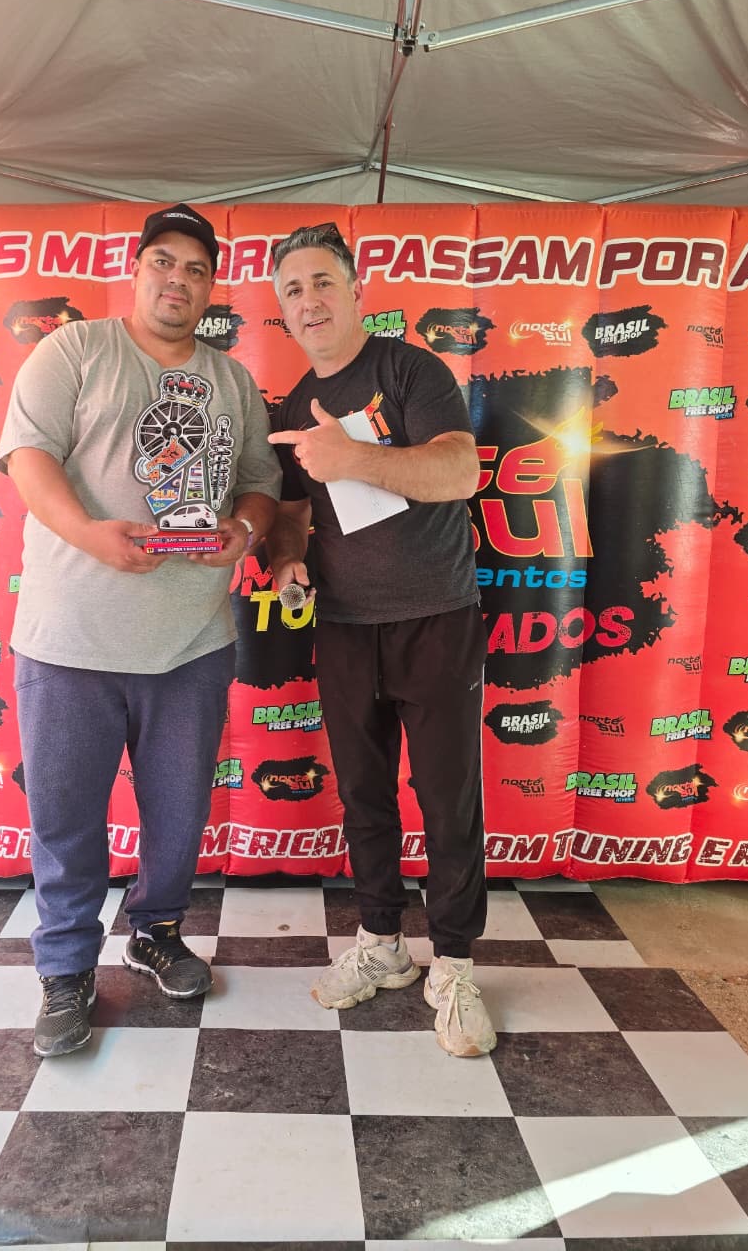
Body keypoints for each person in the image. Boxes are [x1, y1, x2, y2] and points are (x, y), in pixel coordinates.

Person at [0, 203, 281, 1057]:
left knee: (179, 814)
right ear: (136, 269)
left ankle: (155, 931)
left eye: (196, 269)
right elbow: (28, 456)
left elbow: (260, 480)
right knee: (66, 817)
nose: (177, 280)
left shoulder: (232, 381)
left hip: (190, 642)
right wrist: (90, 535)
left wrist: (246, 530)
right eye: (164, 261)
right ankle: (64, 969)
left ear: (211, 287)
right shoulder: (73, 351)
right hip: (69, 639)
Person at [266, 221, 495, 1058]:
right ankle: (383, 944)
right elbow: (293, 513)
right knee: (364, 795)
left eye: (323, 281)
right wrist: (286, 560)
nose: (310, 300)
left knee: (447, 797)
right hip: (344, 626)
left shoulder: (408, 370)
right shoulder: (293, 404)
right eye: (293, 290)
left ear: (356, 290)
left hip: (435, 617)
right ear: (283, 310)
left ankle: (455, 964)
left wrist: (351, 457)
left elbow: (460, 471)